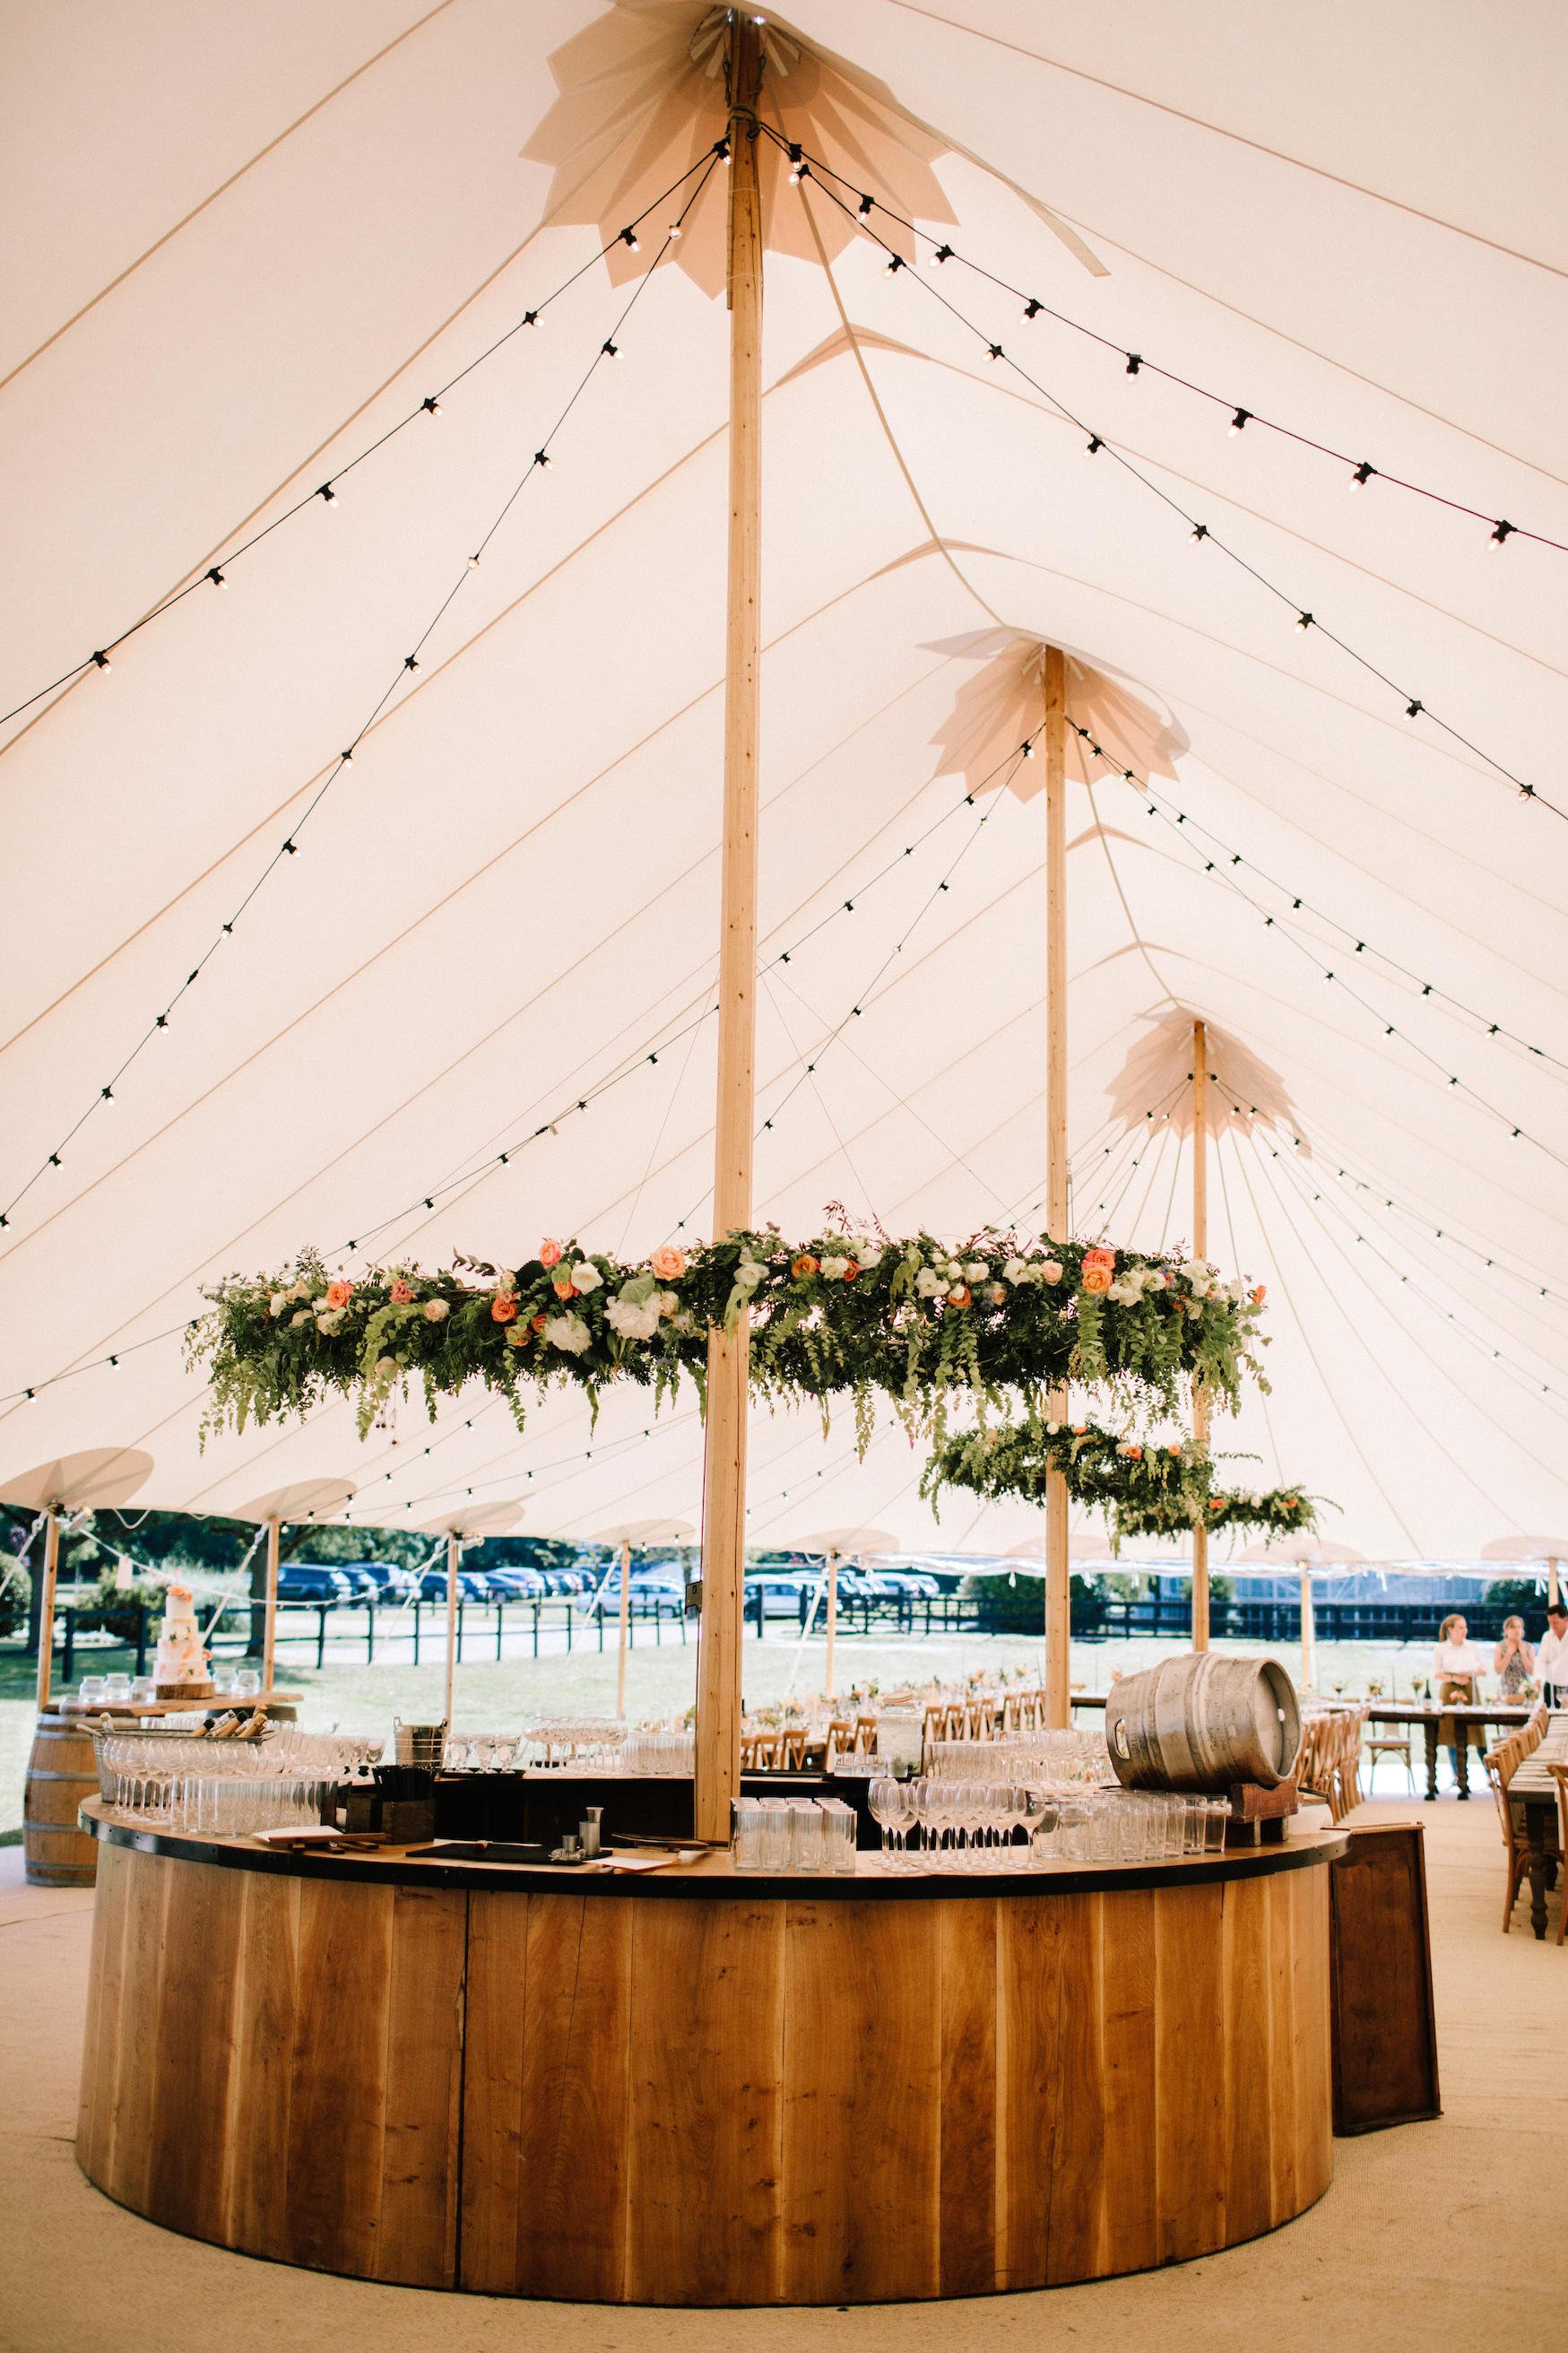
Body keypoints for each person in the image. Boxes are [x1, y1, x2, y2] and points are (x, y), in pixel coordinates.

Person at [1431, 1612, 1488, 1796]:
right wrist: (1455, 1677)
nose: (1465, 1631)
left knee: (1477, 1732)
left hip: (1470, 1687)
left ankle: (1490, 1774)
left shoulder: (1472, 1647)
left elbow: (1483, 1669)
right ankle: (1459, 1775)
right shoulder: (1442, 1649)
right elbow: (1436, 1672)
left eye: (1465, 1627)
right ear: (1450, 1630)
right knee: (1451, 1733)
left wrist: (1468, 1673)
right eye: (1461, 1627)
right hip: (1450, 1688)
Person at [1494, 1616, 1537, 1698]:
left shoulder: (1529, 1646)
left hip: (1525, 1689)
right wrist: (1509, 1653)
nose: (1517, 1630)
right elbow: (1498, 1671)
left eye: (1519, 1627)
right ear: (1506, 1630)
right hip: (1506, 1689)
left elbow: (1531, 1671)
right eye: (1513, 1627)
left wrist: (1523, 1653)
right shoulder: (1500, 1646)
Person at [1537, 1600, 1568, 1708]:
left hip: (1567, 1686)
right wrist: (1538, 1679)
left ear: (1566, 1620)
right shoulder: (1547, 1637)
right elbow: (1541, 1660)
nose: (1552, 1626)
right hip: (1551, 1687)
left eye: (1555, 1622)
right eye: (1550, 1623)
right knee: (1549, 1720)